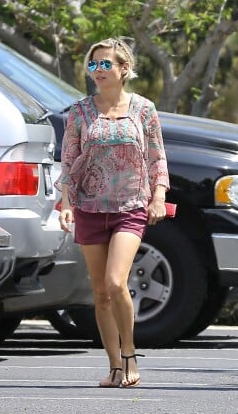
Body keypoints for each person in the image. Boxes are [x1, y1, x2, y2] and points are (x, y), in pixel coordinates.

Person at [56, 37, 170, 388]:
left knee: (116, 282)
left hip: (130, 207)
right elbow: (69, 162)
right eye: (93, 64)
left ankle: (130, 351)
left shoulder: (144, 110)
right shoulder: (78, 112)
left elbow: (157, 158)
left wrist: (158, 197)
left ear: (124, 69)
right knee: (100, 293)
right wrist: (66, 204)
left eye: (106, 64)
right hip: (90, 207)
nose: (98, 71)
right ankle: (114, 366)